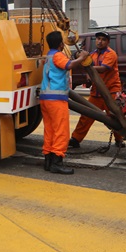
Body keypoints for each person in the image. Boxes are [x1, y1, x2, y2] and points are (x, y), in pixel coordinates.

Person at [40, 30, 85, 175]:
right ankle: (57, 161)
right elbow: (69, 65)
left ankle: (48, 159)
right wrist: (82, 57)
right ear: (61, 44)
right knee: (61, 130)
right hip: (56, 99)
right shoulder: (58, 55)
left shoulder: (49, 55)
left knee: (50, 129)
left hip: (46, 98)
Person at [70, 31, 123, 150]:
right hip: (96, 92)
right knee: (86, 116)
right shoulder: (93, 55)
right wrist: (88, 76)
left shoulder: (111, 54)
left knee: (115, 117)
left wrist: (88, 67)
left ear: (108, 42)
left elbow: (103, 69)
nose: (100, 41)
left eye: (103, 39)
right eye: (98, 39)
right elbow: (90, 71)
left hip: (111, 92)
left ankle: (120, 139)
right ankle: (75, 139)